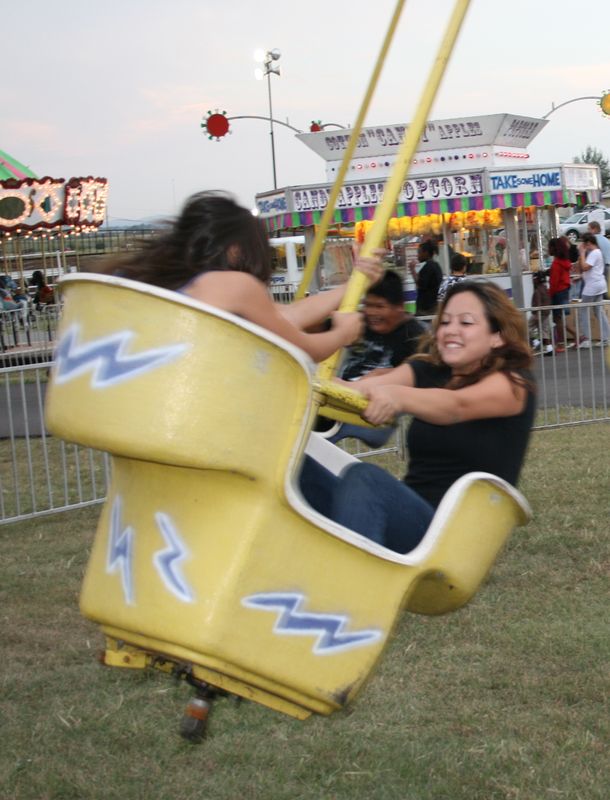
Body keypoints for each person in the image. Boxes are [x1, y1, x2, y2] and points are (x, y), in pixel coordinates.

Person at [300, 280, 536, 554]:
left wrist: (397, 396)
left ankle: (349, 585)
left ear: (498, 335)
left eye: (466, 323)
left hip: (448, 539)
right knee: (296, 465)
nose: (450, 331)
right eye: (445, 322)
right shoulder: (426, 369)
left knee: (363, 478)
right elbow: (360, 390)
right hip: (410, 514)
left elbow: (456, 406)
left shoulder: (514, 384)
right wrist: (300, 375)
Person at [94, 191, 383, 363]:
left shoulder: (158, 282)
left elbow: (286, 317)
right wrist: (343, 334)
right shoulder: (232, 286)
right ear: (235, 250)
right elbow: (302, 348)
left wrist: (354, 282)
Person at [324, 270, 425, 446]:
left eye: (379, 306)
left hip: (376, 411)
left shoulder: (413, 335)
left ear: (399, 307)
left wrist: (377, 377)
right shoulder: (361, 322)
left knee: (321, 424)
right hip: (342, 396)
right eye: (367, 305)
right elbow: (319, 328)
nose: (371, 312)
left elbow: (418, 375)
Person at [576, 233, 609, 348]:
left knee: (583, 310)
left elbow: (585, 267)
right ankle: (606, 337)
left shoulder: (594, 253)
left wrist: (582, 253)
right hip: (598, 284)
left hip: (592, 286)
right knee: (598, 310)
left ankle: (587, 339)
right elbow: (591, 269)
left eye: (583, 244)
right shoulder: (598, 252)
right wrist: (581, 277)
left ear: (588, 243)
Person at [547, 237, 572, 353]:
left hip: (558, 292)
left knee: (558, 318)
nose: (548, 249)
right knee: (560, 317)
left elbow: (554, 282)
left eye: (549, 247)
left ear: (553, 248)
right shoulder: (564, 262)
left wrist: (549, 294)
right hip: (565, 290)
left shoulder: (556, 264)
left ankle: (561, 343)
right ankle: (574, 338)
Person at [408, 239, 442, 318]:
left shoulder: (428, 266)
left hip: (426, 308)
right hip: (432, 305)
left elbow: (421, 284)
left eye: (419, 252)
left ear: (426, 253)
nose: (418, 255)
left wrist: (412, 270)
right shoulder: (436, 265)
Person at [529, 271, 553, 355]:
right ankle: (549, 348)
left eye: (533, 279)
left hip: (538, 313)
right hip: (546, 313)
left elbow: (538, 303)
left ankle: (536, 342)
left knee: (528, 327)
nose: (532, 280)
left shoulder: (538, 290)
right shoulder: (545, 289)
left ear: (537, 280)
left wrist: (537, 314)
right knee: (544, 330)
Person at [587, 219, 610, 290]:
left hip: (600, 267)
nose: (588, 231)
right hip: (608, 265)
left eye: (589, 229)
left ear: (595, 229)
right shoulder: (606, 240)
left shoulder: (593, 240)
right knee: (606, 288)